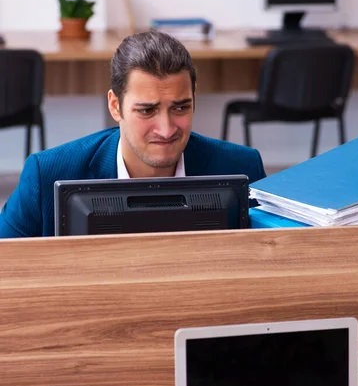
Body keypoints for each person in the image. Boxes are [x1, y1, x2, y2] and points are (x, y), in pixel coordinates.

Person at [0, 31, 265, 238]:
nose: (166, 129)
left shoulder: (243, 167)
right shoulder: (47, 174)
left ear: (194, 99)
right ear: (115, 106)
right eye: (147, 111)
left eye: (180, 107)